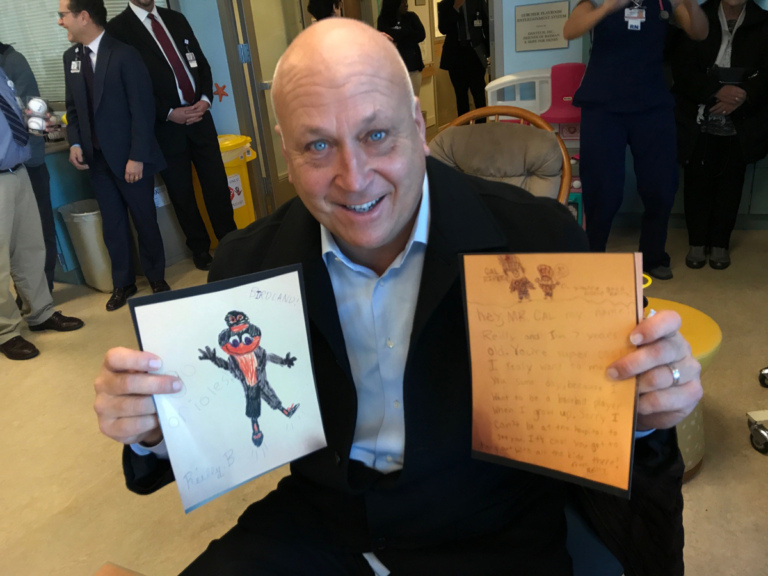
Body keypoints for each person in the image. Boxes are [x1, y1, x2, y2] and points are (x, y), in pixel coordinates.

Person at [94, 19, 703, 575]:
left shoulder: (538, 245)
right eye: (317, 146)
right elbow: (216, 420)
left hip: (490, 531)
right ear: (286, 150)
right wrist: (152, 427)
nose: (354, 178)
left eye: (377, 134)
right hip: (321, 525)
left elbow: (606, 428)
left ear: (418, 124)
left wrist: (647, 411)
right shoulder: (250, 266)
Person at [563, 0, 708, 281]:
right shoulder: (595, 1)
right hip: (602, 106)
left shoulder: (665, 2)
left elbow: (699, 32)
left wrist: (692, 4)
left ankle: (653, 256)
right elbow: (570, 30)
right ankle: (593, 255)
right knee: (603, 190)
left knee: (661, 187)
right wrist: (608, 7)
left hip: (652, 106)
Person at [107, 0, 237, 272]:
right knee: (181, 192)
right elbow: (129, 87)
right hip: (165, 127)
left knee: (216, 183)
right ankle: (199, 248)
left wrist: (205, 99)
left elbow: (201, 64)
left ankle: (230, 241)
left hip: (200, 119)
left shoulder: (175, 19)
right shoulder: (118, 29)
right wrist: (167, 112)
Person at [60, 0, 170, 311]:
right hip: (97, 160)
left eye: (63, 15)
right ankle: (123, 283)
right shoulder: (71, 59)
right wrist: (75, 143)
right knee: (113, 225)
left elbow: (142, 110)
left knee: (145, 219)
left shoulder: (124, 54)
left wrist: (137, 156)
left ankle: (156, 277)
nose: (60, 22)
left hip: (130, 158)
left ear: (84, 17)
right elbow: (73, 110)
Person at [670, 0, 768, 270]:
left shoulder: (764, 22)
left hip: (744, 116)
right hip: (698, 112)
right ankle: (697, 243)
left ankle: (721, 244)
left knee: (731, 182)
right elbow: (681, 68)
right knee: (697, 181)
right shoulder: (698, 16)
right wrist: (715, 91)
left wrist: (742, 95)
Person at [1, 66, 84, 360]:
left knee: (30, 249)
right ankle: (6, 332)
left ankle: (40, 313)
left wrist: (27, 119)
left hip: (17, 170)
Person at [0, 43, 57, 294]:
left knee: (37, 234)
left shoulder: (11, 62)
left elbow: (32, 110)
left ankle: (43, 295)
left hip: (27, 164)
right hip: (10, 170)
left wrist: (40, 132)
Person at [438, 0, 489, 117]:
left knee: (479, 96)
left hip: (474, 53)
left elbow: (486, 25)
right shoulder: (445, 4)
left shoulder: (477, 2)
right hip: (456, 56)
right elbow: (443, 28)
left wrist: (489, 52)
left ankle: (482, 130)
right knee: (461, 98)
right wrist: (455, 8)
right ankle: (463, 131)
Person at [377, 0, 426, 97]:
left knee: (412, 103)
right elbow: (385, 38)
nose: (406, 4)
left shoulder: (412, 17)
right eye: (402, 2)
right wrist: (405, 33)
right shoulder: (383, 19)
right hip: (392, 71)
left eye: (406, 1)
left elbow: (421, 35)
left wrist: (400, 35)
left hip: (413, 68)